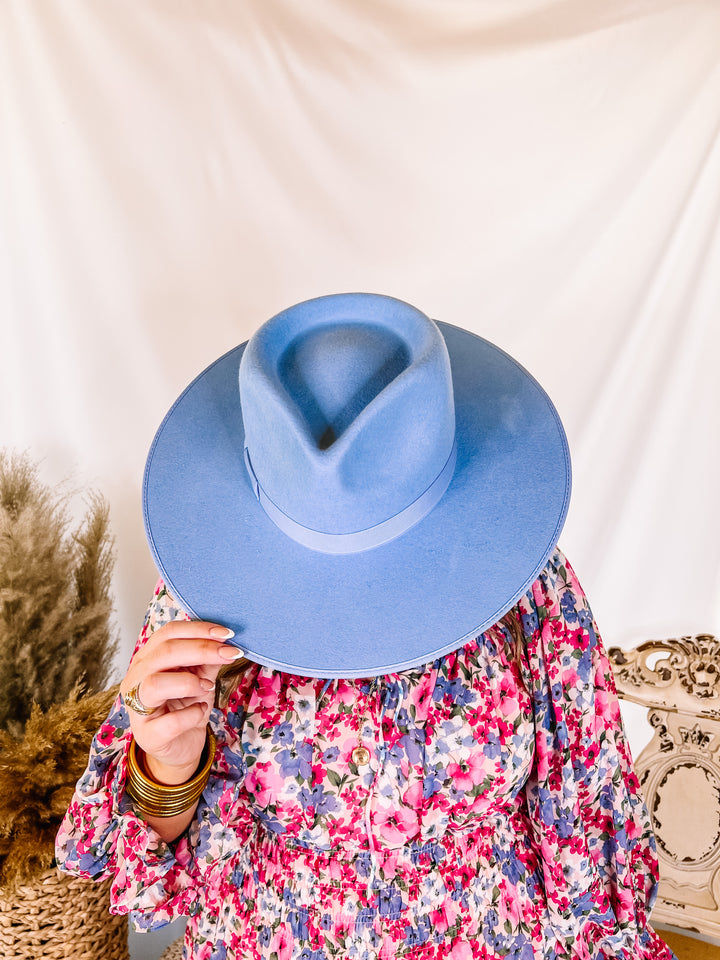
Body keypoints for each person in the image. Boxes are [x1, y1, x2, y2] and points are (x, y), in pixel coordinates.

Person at [56, 294, 677, 960]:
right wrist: (168, 768)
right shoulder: (205, 590)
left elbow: (584, 811)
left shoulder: (523, 581)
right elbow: (158, 884)